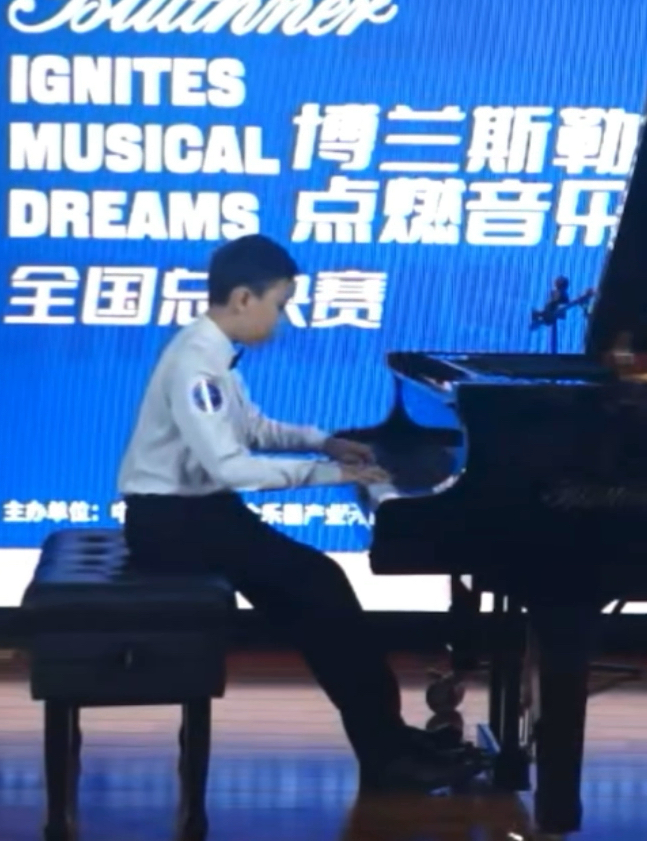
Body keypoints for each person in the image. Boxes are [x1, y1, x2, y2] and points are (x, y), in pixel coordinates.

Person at [117, 234, 478, 791]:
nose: (281, 321)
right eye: (279, 305)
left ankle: (387, 742)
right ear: (243, 298)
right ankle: (385, 754)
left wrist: (325, 443)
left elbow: (254, 428)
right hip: (174, 524)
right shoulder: (197, 366)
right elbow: (233, 467)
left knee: (318, 594)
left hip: (199, 515)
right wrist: (332, 474)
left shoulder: (211, 352)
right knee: (320, 587)